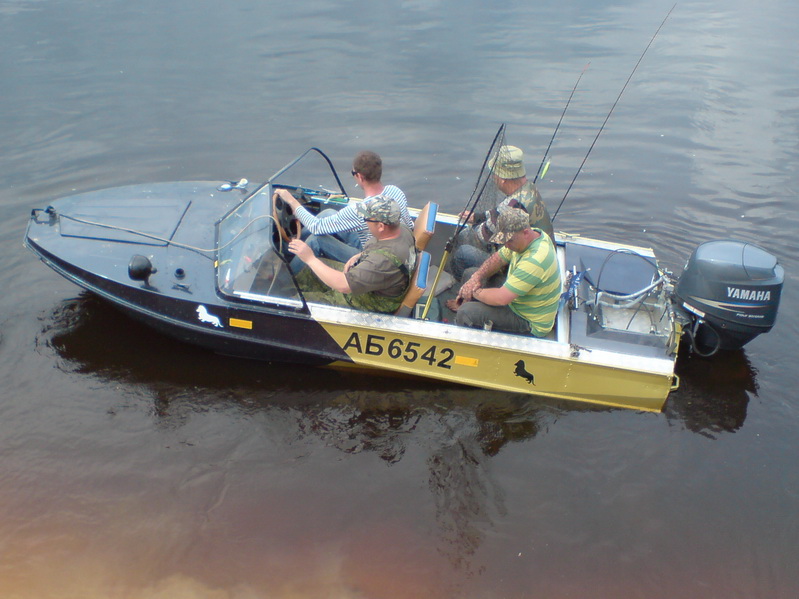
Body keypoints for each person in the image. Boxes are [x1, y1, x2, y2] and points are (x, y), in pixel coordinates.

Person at [274, 150, 413, 270]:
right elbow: (409, 224)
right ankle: (289, 248)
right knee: (328, 213)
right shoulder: (395, 191)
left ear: (359, 177)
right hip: (387, 240)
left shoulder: (361, 210)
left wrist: (292, 201)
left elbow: (316, 227)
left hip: (369, 254)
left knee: (316, 240)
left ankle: (286, 278)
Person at [287, 196, 416, 314]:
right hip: (369, 280)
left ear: (381, 226)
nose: (365, 222)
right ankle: (289, 285)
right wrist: (359, 255)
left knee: (292, 303)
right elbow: (382, 251)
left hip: (359, 302)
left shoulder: (380, 262)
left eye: (366, 219)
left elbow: (343, 285)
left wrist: (310, 259)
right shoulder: (402, 230)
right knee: (309, 271)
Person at [446, 207, 561, 337]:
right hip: (518, 300)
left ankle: (463, 328)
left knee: (466, 312)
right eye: (504, 241)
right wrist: (476, 278)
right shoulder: (532, 236)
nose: (506, 245)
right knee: (470, 274)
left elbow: (502, 299)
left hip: (527, 320)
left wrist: (472, 291)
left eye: (509, 240)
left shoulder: (535, 260)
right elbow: (499, 258)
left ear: (525, 233)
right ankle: (467, 301)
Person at [451, 145, 554, 280]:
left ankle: (465, 287)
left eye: (494, 174)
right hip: (542, 254)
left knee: (462, 251)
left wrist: (474, 226)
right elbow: (499, 211)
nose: (493, 178)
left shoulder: (512, 206)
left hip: (518, 267)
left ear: (502, 179)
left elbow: (482, 236)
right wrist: (477, 217)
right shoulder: (529, 188)